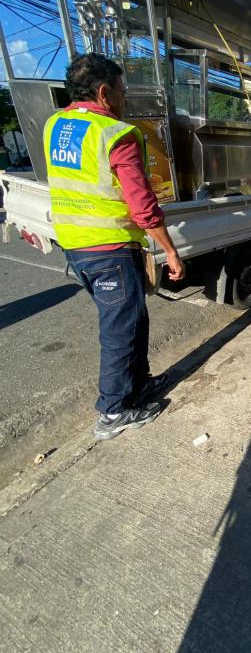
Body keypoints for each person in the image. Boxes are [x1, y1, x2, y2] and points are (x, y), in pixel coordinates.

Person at [44, 53, 186, 440]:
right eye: (122, 93)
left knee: (134, 319)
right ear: (104, 93)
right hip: (109, 246)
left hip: (76, 244)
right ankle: (113, 411)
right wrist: (169, 250)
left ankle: (139, 387)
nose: (125, 101)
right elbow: (142, 205)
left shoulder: (55, 125)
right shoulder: (115, 133)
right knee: (120, 329)